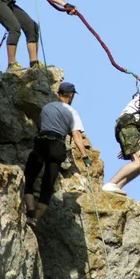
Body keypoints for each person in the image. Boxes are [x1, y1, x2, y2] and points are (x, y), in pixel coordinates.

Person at [24, 82, 91, 226]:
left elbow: (42, 126)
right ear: (71, 95)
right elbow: (76, 136)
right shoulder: (72, 112)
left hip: (41, 142)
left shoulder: (46, 107)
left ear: (58, 93)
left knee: (29, 179)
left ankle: (29, 212)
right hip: (56, 147)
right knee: (47, 187)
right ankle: (35, 218)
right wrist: (85, 156)